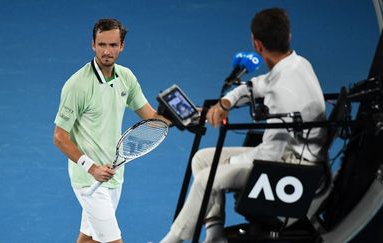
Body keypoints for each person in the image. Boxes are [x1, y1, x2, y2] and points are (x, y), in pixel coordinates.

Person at [160, 8, 326, 243]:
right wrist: (226, 102)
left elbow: (269, 155)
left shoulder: (282, 93)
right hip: (291, 152)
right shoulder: (297, 64)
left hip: (293, 167)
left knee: (207, 178)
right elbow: (259, 84)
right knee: (202, 158)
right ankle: (214, 233)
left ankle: (172, 240)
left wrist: (230, 162)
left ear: (256, 45)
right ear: (288, 36)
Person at [53, 18, 169, 243]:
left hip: (114, 175)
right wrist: (92, 167)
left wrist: (189, 116)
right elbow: (59, 136)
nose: (107, 51)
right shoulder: (77, 85)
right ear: (93, 45)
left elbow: (154, 121)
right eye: (102, 44)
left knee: (89, 239)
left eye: (113, 45)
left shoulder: (126, 77)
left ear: (122, 46)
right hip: (89, 180)